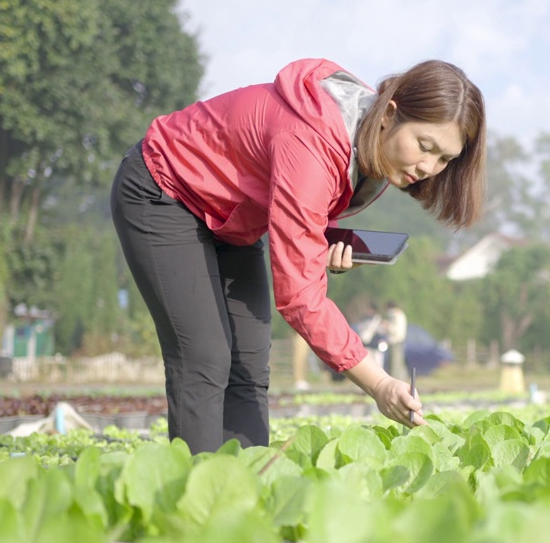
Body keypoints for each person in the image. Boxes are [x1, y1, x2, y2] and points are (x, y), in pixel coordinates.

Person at [110, 58, 486, 453]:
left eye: (445, 159)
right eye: (424, 147)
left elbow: (296, 208)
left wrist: (315, 243)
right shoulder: (313, 141)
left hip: (234, 219)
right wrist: (379, 384)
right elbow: (300, 299)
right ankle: (192, 503)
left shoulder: (368, 137)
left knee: (249, 366)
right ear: (389, 114)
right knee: (204, 359)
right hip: (165, 189)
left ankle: (246, 492)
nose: (429, 167)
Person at [384, 301, 409, 382]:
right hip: (398, 342)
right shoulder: (400, 314)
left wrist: (387, 326)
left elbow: (395, 330)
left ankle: (395, 382)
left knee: (395, 365)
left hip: (395, 342)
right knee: (398, 364)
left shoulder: (395, 315)